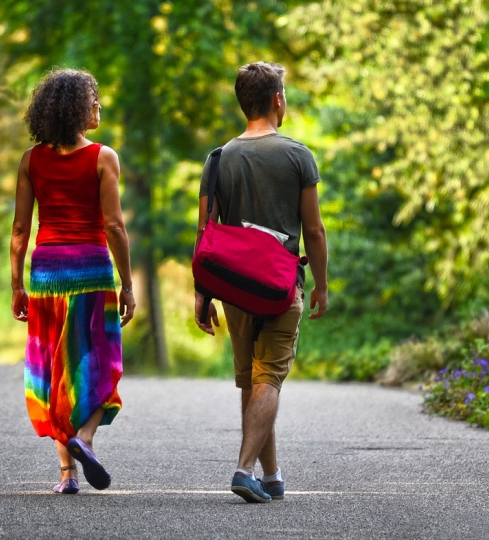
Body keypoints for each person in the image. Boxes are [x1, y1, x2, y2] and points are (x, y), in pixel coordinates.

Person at [194, 61, 329, 503]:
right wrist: (322, 285)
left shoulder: (219, 158)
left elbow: (205, 232)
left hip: (235, 289)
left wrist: (203, 293)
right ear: (277, 100)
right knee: (268, 377)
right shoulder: (297, 155)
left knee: (253, 381)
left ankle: (270, 476)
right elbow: (315, 231)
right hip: (280, 283)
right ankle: (244, 468)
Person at [10, 68, 135, 495]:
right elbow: (115, 226)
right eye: (94, 100)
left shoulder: (31, 160)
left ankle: (67, 475)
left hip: (46, 274)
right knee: (99, 363)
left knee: (54, 368)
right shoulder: (103, 157)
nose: (99, 107)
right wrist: (128, 285)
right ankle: (84, 438)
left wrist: (16, 284)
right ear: (81, 109)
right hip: (92, 273)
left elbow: (20, 231)